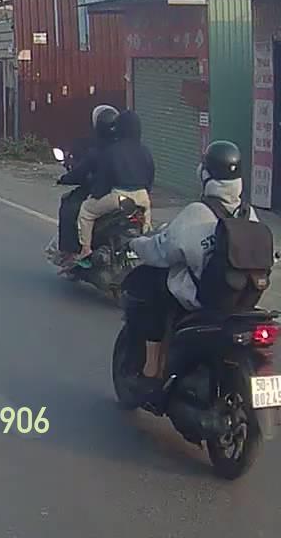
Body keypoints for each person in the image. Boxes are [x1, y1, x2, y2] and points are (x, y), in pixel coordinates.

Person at [125, 141, 259, 399]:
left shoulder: (198, 213)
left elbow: (161, 252)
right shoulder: (248, 213)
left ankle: (151, 369)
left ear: (206, 175)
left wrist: (135, 243)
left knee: (149, 285)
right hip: (244, 298)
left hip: (203, 298)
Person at [73, 110, 154, 264]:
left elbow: (103, 180)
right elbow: (150, 177)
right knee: (146, 228)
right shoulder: (145, 151)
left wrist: (96, 194)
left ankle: (85, 250)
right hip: (143, 197)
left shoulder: (112, 151)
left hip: (119, 197)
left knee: (86, 211)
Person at [51, 104, 118, 265]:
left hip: (103, 192)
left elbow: (81, 171)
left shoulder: (98, 149)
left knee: (71, 206)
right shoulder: (126, 146)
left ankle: (74, 251)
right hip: (135, 194)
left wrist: (65, 179)